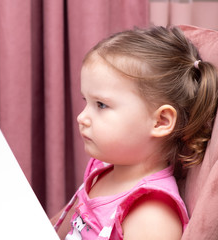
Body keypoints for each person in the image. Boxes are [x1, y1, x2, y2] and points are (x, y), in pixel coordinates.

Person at [51, 26, 218, 240]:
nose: (81, 118)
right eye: (87, 102)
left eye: (101, 105)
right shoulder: (103, 167)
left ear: (161, 121)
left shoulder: (152, 214)